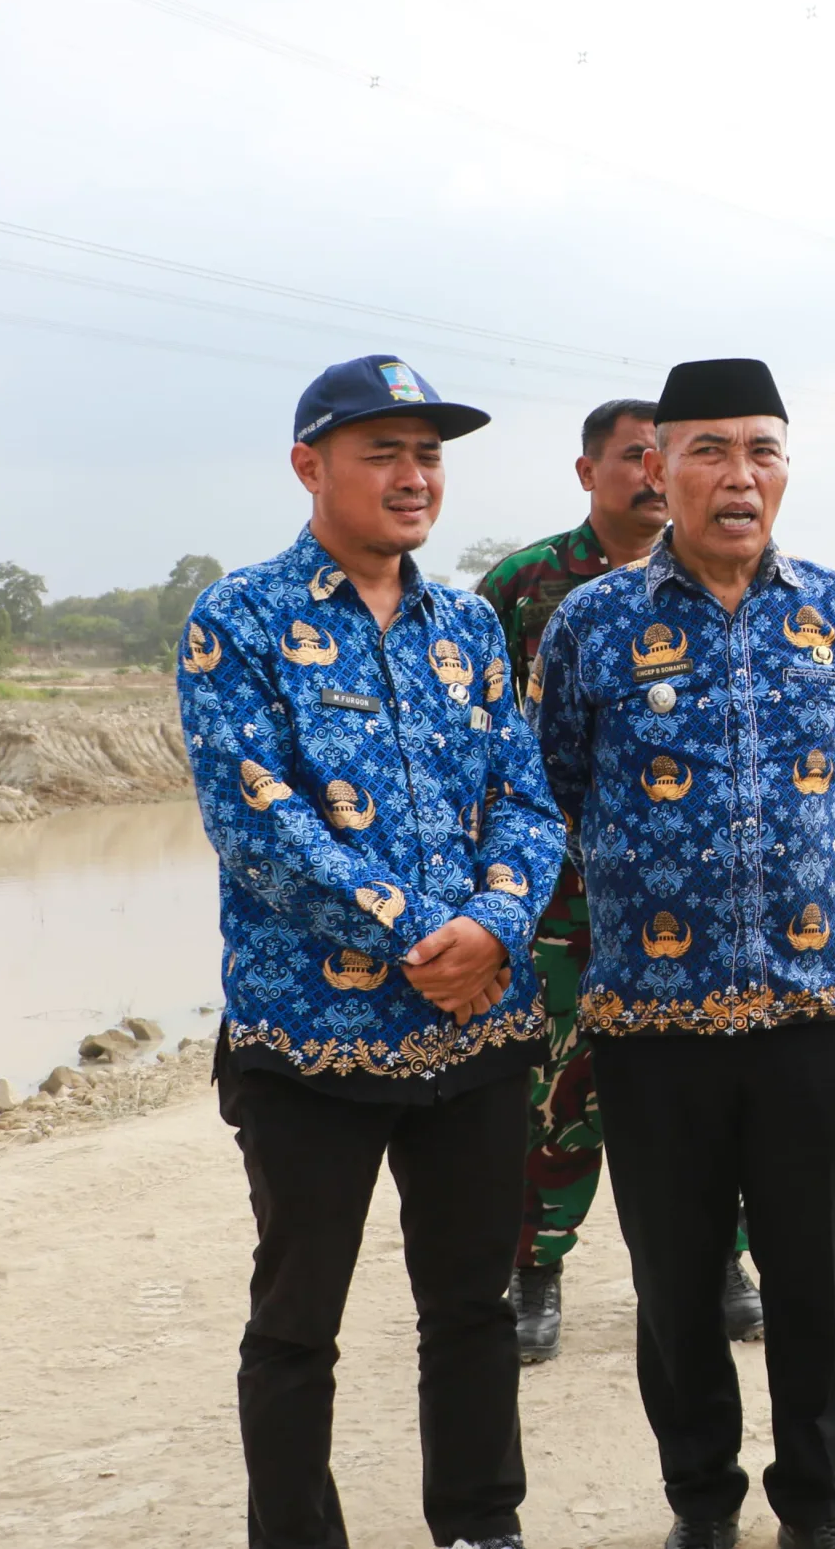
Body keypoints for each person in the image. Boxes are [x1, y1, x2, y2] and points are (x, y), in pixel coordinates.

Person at [176, 354, 565, 1549]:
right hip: (312, 1039)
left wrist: (493, 925)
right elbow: (259, 818)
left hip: (477, 1028)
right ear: (310, 465)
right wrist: (416, 933)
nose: (414, 477)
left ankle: (481, 1525)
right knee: (297, 1322)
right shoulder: (240, 618)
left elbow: (527, 798)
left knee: (471, 1306)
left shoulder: (470, 626)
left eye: (429, 454)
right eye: (383, 452)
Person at [533, 359, 835, 1549]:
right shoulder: (591, 624)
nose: (740, 475)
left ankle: (819, 1505)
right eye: (710, 450)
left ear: (784, 468)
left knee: (813, 1283)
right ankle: (702, 1504)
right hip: (653, 1028)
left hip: (816, 1017)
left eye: (762, 451)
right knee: (677, 1289)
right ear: (659, 467)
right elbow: (555, 790)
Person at [476, 399, 765, 1362]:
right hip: (560, 902)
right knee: (553, 1090)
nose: (650, 474)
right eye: (633, 456)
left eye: (660, 455)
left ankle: (724, 1264)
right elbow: (479, 738)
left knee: (709, 1086)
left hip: (686, 904)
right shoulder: (524, 587)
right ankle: (535, 1271)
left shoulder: (726, 579)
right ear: (588, 472)